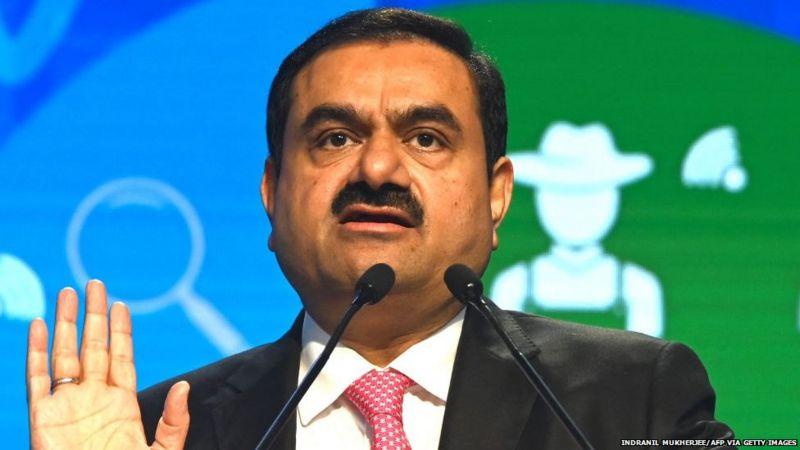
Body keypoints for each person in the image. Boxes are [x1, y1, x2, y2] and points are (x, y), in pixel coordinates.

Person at [26, 8, 735, 450]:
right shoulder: (160, 429)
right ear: (272, 192)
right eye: (335, 138)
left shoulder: (634, 400)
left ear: (496, 196)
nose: (377, 168)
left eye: (426, 138)